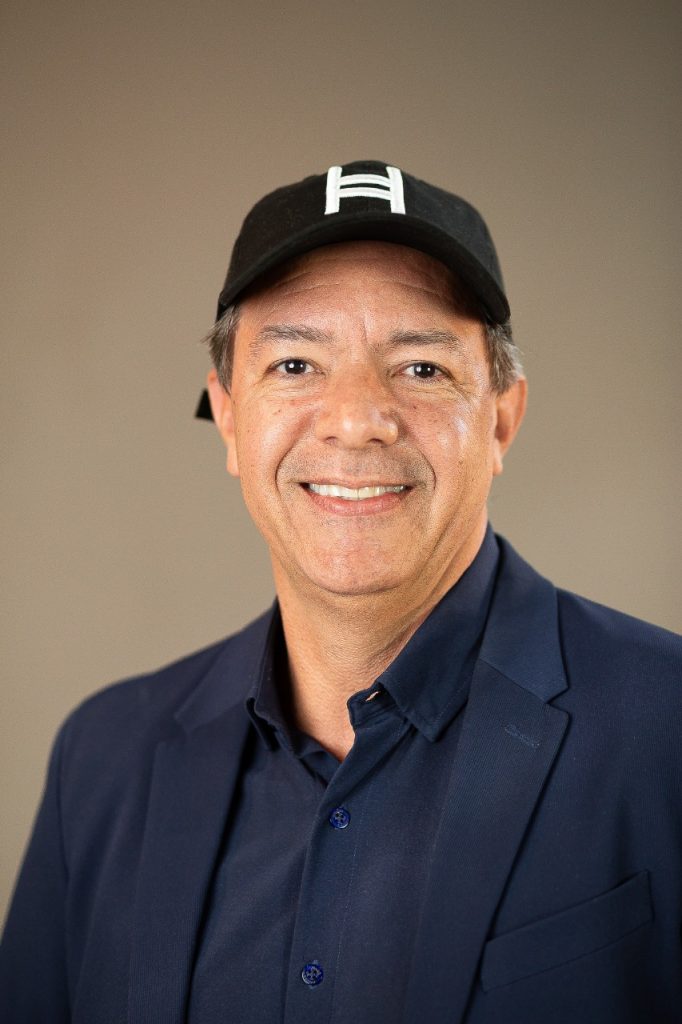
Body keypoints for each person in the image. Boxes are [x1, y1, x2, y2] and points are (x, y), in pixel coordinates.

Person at [1, 161, 680, 1024]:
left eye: (422, 368)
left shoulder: (667, 730)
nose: (356, 418)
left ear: (502, 421)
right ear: (229, 416)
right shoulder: (101, 763)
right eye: (295, 363)